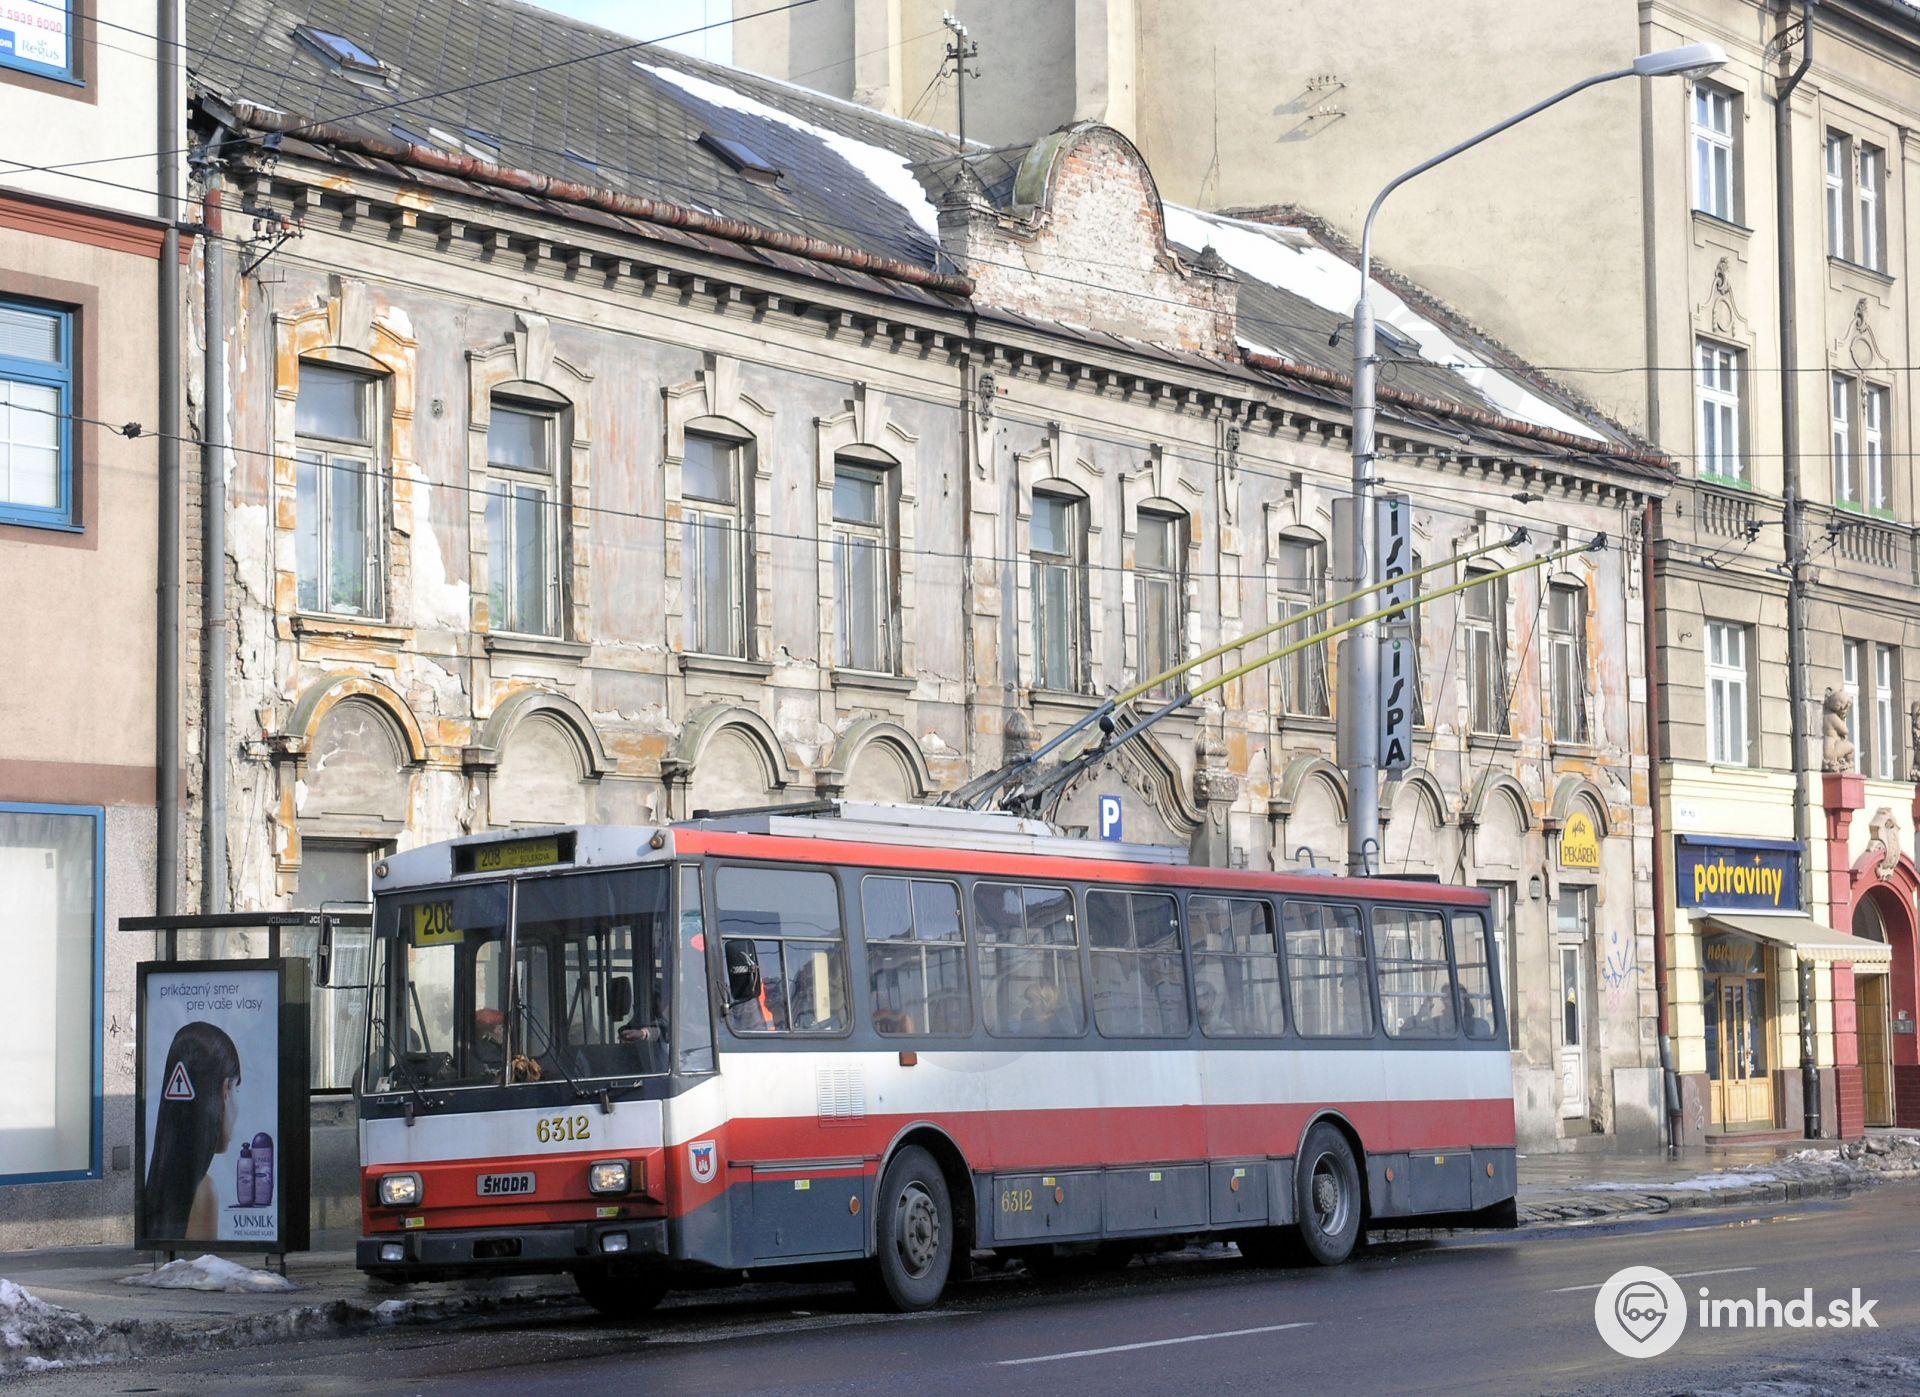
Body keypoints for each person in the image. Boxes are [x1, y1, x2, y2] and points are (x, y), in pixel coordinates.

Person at [145, 1022, 241, 1242]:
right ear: (225, 1090)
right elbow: (201, 1262)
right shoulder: (202, 1191)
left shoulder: (160, 1182)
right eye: (237, 1088)